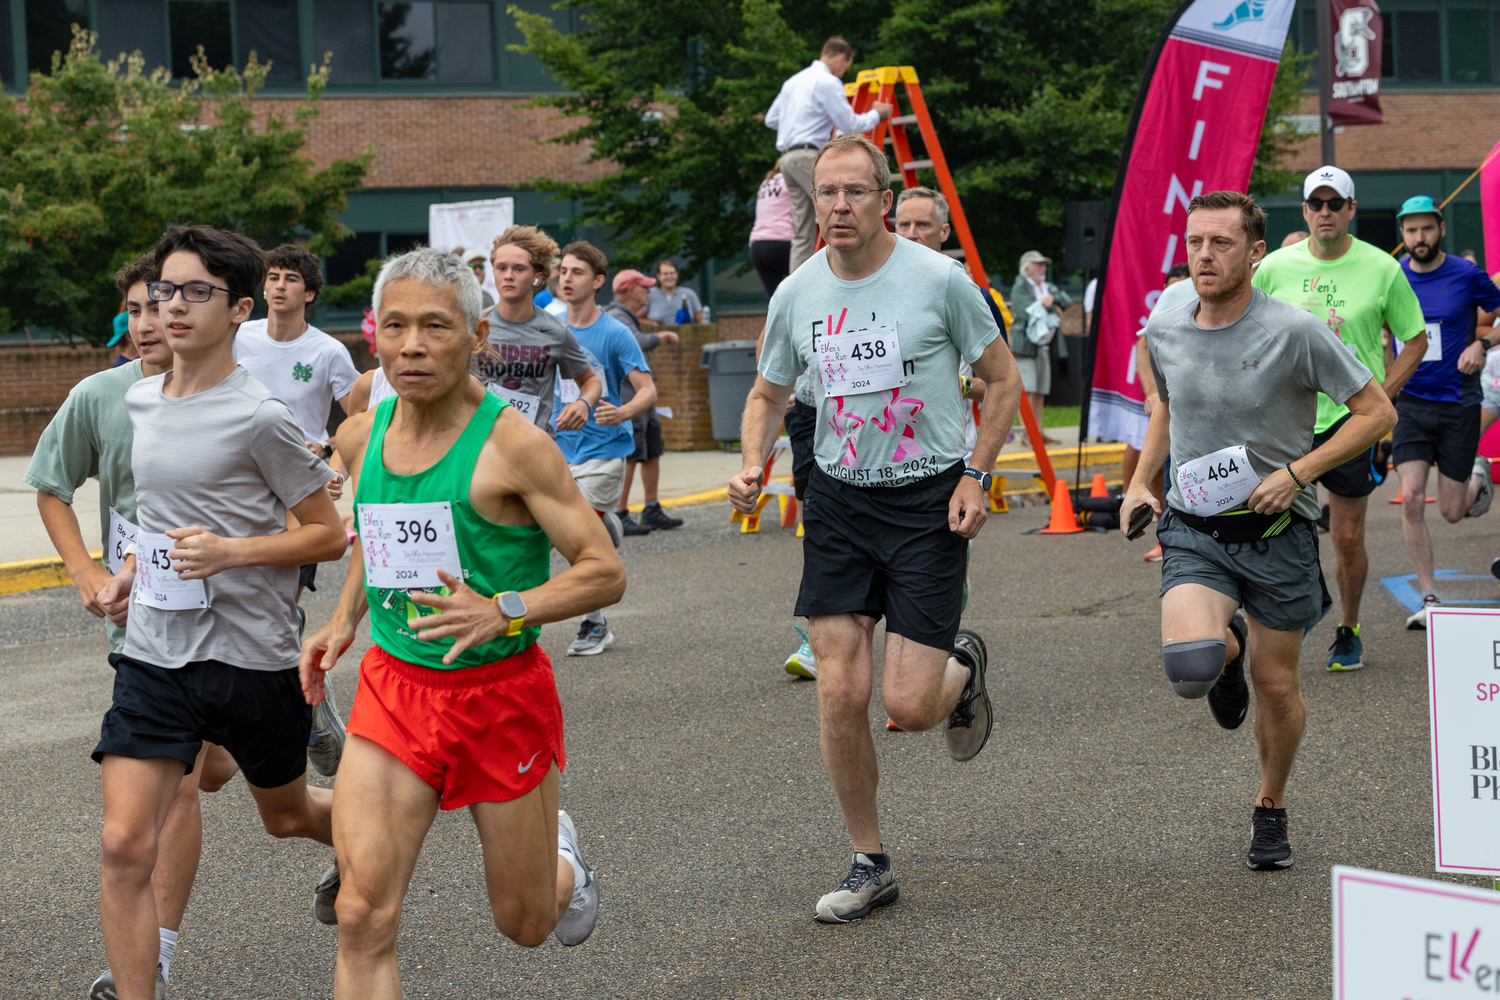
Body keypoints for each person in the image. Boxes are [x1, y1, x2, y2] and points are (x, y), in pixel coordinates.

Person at [297, 248, 625, 998]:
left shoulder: (515, 447)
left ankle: (563, 867)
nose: (413, 345)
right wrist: (342, 619)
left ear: (477, 337)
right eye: (397, 326)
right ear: (374, 335)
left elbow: (603, 569)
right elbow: (379, 537)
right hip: (395, 690)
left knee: (526, 920)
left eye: (436, 327)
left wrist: (504, 608)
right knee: (361, 915)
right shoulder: (361, 437)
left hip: (498, 697)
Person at [731, 133, 1022, 922]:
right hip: (837, 498)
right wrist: (754, 464)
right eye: (826, 193)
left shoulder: (938, 280)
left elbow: (1002, 381)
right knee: (839, 689)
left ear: (885, 202)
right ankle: (870, 859)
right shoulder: (797, 292)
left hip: (928, 501)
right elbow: (765, 394)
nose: (838, 207)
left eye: (855, 192)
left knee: (911, 707)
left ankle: (963, 670)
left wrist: (977, 473)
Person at [87, 225, 348, 1000]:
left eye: (195, 291)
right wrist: (132, 570)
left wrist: (232, 553)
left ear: (238, 309)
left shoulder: (260, 415)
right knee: (123, 842)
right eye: (165, 290)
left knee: (290, 815)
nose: (172, 306)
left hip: (250, 657)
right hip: (154, 654)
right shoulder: (138, 397)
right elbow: (163, 510)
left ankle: (392, 824)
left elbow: (327, 537)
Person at [1122, 190, 1395, 872]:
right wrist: (1138, 482)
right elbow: (1167, 411)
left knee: (1278, 687)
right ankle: (1225, 649)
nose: (1205, 256)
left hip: (1279, 530)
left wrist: (1299, 473)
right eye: (1195, 244)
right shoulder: (1165, 318)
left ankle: (1270, 806)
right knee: (1190, 669)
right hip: (1196, 524)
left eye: (1220, 243)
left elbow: (1375, 413)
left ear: (1256, 252)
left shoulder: (1295, 331)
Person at [28, 256, 207, 1000]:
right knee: (180, 788)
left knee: (268, 799)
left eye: (157, 308)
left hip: (229, 625)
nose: (144, 325)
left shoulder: (231, 396)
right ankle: (154, 956)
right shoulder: (99, 395)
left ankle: (360, 839)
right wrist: (86, 574)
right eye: (132, 310)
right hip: (140, 628)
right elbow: (50, 486)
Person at [1252, 166, 1427, 671]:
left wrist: (1380, 402)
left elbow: (1415, 339)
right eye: (1316, 204)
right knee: (1275, 526)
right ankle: (1292, 611)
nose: (1325, 212)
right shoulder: (1275, 267)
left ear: (1352, 209)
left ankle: (1348, 628)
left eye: (1336, 204)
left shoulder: (1382, 268)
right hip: (1286, 418)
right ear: (1304, 210)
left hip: (1351, 423)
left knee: (1347, 537)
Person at [232, 243, 361, 624]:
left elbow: (364, 423)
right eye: (273, 277)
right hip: (242, 476)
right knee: (241, 591)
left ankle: (291, 651)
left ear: (309, 294)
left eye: (291, 279)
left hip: (300, 487)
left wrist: (330, 462)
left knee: (279, 604)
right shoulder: (237, 338)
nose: (280, 285)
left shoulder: (328, 351)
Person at [1388, 196, 1500, 628]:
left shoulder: (1467, 274)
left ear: (1441, 230)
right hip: (1412, 403)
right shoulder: (1392, 276)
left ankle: (1477, 477)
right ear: (1403, 234)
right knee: (1412, 497)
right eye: (1411, 230)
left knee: (1451, 511)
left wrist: (1482, 343)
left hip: (1459, 403)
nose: (1419, 238)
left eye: (1427, 229)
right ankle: (1429, 597)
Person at [554, 242, 658, 655]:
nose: (566, 278)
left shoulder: (615, 333)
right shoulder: (549, 328)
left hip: (603, 450)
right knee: (573, 533)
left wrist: (623, 412)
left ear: (597, 281)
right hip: (556, 451)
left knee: (574, 537)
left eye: (577, 272)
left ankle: (593, 624)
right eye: (563, 270)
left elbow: (646, 391)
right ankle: (610, 526)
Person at [764, 36, 893, 274]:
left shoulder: (794, 81)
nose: (843, 72)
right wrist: (876, 113)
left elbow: (771, 119)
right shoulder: (828, 82)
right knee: (838, 212)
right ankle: (841, 276)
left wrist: (799, 120)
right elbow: (851, 123)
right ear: (842, 57)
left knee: (802, 232)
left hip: (788, 159)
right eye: (845, 66)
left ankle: (797, 286)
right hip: (808, 156)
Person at [473, 224, 603, 434]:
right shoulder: (475, 327)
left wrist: (583, 404)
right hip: (481, 444)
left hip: (534, 447)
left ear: (537, 277)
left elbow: (590, 380)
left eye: (519, 269)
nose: (508, 275)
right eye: (501, 267)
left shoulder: (555, 331)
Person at [605, 268, 684, 535]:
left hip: (642, 397)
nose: (649, 292)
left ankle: (651, 508)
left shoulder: (628, 316)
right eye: (644, 287)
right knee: (632, 453)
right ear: (629, 290)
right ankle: (620, 512)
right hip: (630, 397)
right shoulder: (617, 316)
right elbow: (635, 344)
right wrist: (662, 336)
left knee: (651, 450)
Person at [1128, 264, 1195, 563]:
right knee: (1169, 479)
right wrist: (1152, 392)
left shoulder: (1266, 293)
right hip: (1181, 415)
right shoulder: (1176, 294)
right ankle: (1169, 541)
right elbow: (1143, 343)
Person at [1008, 251, 1072, 447]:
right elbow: (1026, 312)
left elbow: (1066, 300)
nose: (1043, 268)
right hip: (1026, 347)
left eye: (1044, 264)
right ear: (1027, 267)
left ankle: (1038, 432)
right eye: (1039, 264)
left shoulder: (1046, 286)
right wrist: (1052, 306)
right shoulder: (1020, 286)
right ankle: (1027, 433)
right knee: (1027, 389)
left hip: (1044, 346)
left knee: (1040, 391)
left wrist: (1051, 299)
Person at [750, 160, 794, 298]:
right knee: (802, 289)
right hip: (781, 242)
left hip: (757, 246)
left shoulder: (765, 183)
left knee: (776, 302)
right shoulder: (790, 181)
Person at [645, 259, 702, 325]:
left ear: (677, 274)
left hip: (687, 334)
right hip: (658, 334)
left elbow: (700, 320)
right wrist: (653, 324)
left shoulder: (690, 294)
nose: (669, 277)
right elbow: (639, 318)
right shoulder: (649, 294)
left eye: (672, 273)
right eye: (665, 274)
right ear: (658, 276)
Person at [463, 248, 497, 314]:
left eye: (481, 266)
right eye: (473, 266)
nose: (478, 271)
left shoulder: (487, 298)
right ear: (463, 269)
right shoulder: (457, 297)